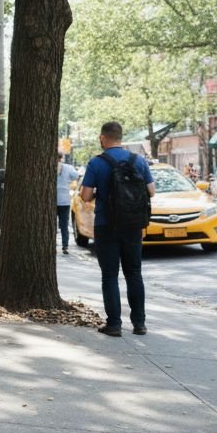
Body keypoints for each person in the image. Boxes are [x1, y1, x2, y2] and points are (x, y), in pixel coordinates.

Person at [79, 122, 154, 336]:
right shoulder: (138, 161)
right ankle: (139, 323)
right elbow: (151, 191)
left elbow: (85, 195)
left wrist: (99, 194)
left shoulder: (96, 162)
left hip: (106, 224)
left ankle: (114, 325)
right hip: (133, 225)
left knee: (110, 275)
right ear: (120, 137)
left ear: (103, 138)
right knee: (134, 273)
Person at [56, 153, 81, 254]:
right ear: (61, 158)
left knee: (50, 225)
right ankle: (65, 246)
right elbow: (76, 176)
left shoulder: (46, 166)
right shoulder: (68, 167)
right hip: (64, 201)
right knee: (64, 225)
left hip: (52, 200)